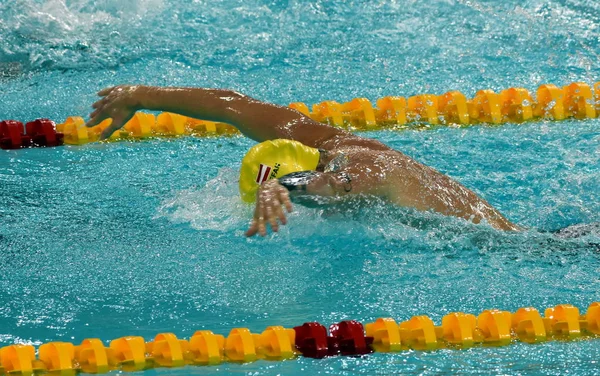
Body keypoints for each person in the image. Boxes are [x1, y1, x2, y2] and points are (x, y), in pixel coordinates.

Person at [86, 85, 522, 237]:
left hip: (521, 247)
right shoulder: (320, 139)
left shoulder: (365, 166)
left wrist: (279, 186)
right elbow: (231, 105)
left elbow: (338, 184)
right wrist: (141, 95)